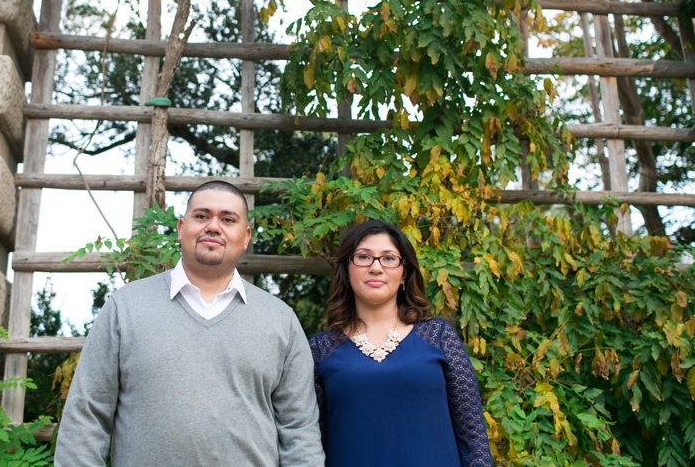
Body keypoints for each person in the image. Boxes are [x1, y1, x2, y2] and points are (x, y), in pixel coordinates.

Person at [55, 180, 324, 467]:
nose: (213, 226)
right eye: (202, 216)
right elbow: (86, 417)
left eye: (228, 219)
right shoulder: (126, 307)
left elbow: (300, 431)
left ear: (245, 237)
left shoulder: (280, 320)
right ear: (182, 228)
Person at [309, 219, 493, 467]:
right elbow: (308, 440)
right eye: (363, 257)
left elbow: (473, 436)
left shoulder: (438, 336)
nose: (376, 268)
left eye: (388, 258)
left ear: (404, 273)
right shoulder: (321, 350)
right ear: (347, 270)